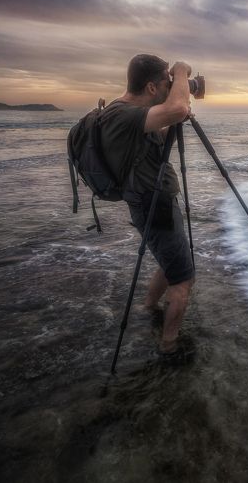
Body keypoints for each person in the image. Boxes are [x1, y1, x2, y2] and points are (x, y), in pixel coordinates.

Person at [99, 54, 195, 362]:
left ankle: (149, 308)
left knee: (169, 260)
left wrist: (174, 115)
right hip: (156, 203)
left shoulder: (132, 114)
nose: (172, 86)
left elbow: (164, 127)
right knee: (182, 281)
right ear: (153, 87)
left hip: (148, 200)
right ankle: (169, 345)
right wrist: (182, 73)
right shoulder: (124, 115)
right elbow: (177, 108)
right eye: (168, 82)